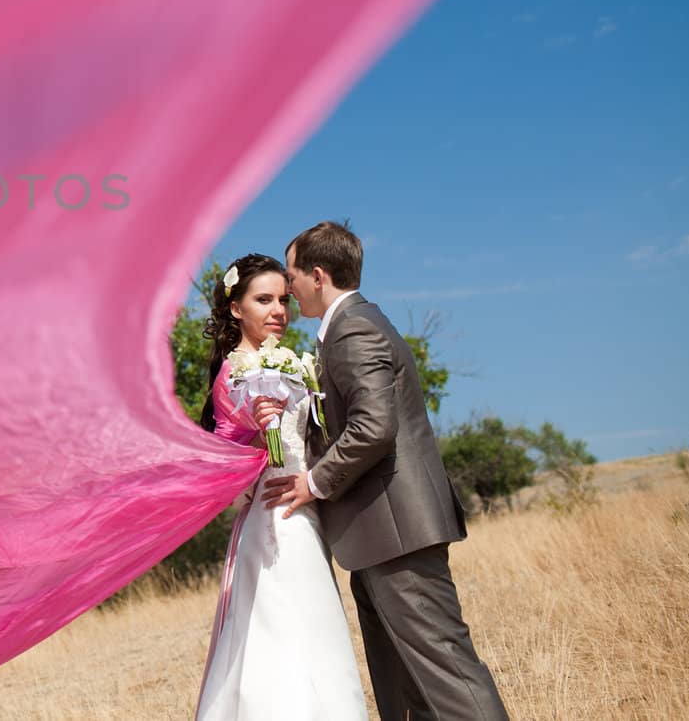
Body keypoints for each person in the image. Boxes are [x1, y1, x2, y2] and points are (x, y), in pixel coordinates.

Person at [260, 221, 508, 721]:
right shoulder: (348, 329)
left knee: (448, 675)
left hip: (398, 534)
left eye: (291, 276)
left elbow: (374, 427)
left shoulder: (353, 328)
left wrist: (313, 482)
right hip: (378, 535)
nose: (288, 288)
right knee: (408, 686)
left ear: (317, 274)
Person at [195, 253, 367, 721]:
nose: (278, 311)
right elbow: (223, 454)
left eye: (284, 300)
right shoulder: (235, 373)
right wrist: (253, 428)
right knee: (277, 645)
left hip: (304, 516)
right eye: (263, 300)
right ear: (236, 309)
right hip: (272, 522)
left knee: (316, 636)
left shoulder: (292, 362)